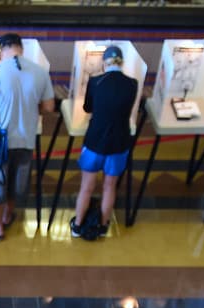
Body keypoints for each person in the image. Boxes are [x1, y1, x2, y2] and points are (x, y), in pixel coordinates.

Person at [0, 33, 54, 242]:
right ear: (21, 48)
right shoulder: (40, 72)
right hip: (26, 137)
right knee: (18, 182)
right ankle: (9, 215)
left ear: (2, 50)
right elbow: (48, 107)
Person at [70, 45, 138, 239]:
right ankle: (102, 225)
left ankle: (78, 225)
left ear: (104, 62)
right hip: (119, 142)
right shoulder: (132, 84)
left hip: (94, 141)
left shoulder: (95, 81)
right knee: (110, 186)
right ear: (122, 62)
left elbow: (88, 107)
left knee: (87, 186)